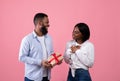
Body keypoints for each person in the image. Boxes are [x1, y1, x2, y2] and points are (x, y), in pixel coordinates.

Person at [19, 13, 54, 81]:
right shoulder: (27, 39)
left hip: (46, 77)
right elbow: (22, 57)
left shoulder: (49, 38)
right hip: (32, 78)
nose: (48, 25)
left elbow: (51, 53)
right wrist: (40, 62)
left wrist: (55, 61)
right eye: (46, 22)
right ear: (40, 23)